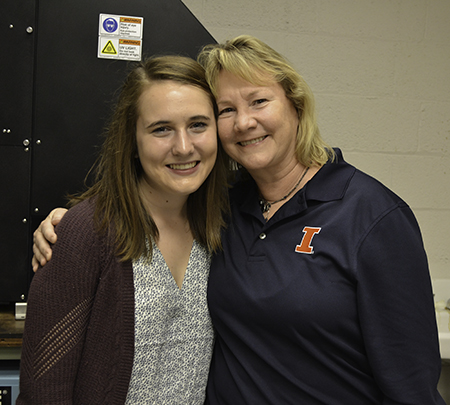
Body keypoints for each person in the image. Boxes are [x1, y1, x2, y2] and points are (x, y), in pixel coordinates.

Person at [32, 35, 445, 404]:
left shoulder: (372, 216)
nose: (244, 122)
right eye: (226, 109)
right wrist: (72, 227)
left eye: (259, 101)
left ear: (296, 105)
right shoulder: (224, 208)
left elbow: (411, 382)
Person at [18, 55, 229, 404]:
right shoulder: (86, 233)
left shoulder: (222, 225)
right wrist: (67, 227)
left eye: (198, 125)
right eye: (161, 128)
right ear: (132, 140)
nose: (183, 146)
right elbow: (44, 390)